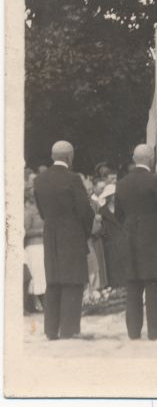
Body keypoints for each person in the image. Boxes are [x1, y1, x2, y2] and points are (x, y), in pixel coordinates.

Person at [115, 144, 157, 340]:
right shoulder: (154, 182)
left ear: (135, 159)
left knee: (133, 284)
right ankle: (155, 329)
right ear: (151, 160)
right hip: (152, 238)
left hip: (129, 237)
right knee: (152, 284)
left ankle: (133, 331)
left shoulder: (122, 183)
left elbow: (118, 214)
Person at [33, 141, 95, 340]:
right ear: (69, 157)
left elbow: (41, 211)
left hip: (50, 234)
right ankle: (69, 329)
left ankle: (51, 330)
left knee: (53, 281)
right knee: (73, 281)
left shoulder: (39, 180)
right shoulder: (73, 179)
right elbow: (85, 211)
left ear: (53, 156)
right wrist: (85, 232)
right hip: (72, 233)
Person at [96, 184, 129, 289]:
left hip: (123, 239)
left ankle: (126, 284)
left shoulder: (123, 208)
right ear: (109, 197)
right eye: (113, 195)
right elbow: (101, 228)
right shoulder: (102, 211)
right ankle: (116, 286)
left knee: (125, 262)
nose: (115, 197)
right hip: (110, 241)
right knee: (112, 264)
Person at [24, 182, 46, 313]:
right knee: (37, 275)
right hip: (33, 247)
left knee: (43, 274)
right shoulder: (27, 211)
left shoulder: (41, 208)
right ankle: (35, 301)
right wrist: (40, 231)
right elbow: (24, 231)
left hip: (42, 245)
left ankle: (42, 300)